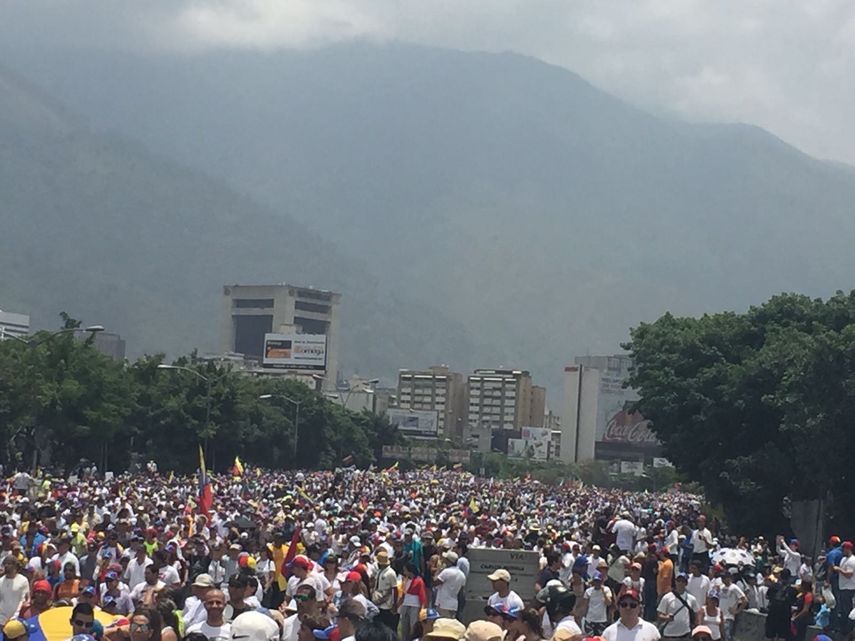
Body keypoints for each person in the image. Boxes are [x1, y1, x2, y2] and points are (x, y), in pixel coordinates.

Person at [657, 574, 698, 641]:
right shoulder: (667, 597)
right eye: (678, 581)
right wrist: (666, 617)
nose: (680, 583)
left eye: (683, 581)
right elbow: (659, 615)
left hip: (685, 634)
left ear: (686, 583)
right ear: (675, 582)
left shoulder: (692, 599)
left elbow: (696, 614)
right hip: (669, 635)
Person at [765, 569, 797, 641]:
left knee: (770, 635)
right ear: (789, 577)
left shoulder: (774, 586)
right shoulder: (792, 589)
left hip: (773, 612)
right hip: (785, 614)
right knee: (782, 635)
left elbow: (767, 596)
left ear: (780, 576)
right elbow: (794, 601)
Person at [371, 550, 399, 632]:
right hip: (378, 601)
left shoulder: (390, 573)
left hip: (386, 603)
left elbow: (394, 589)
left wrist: (394, 604)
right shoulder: (379, 571)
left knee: (387, 626)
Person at [400, 562, 428, 641]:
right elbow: (403, 593)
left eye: (405, 571)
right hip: (405, 604)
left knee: (413, 625)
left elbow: (422, 595)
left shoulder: (419, 581)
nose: (404, 572)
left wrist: (422, 608)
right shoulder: (405, 580)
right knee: (404, 626)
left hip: (414, 605)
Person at [434, 552, 465, 619]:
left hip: (443, 604)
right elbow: (461, 592)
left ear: (449, 561)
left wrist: (438, 570)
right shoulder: (462, 574)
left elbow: (435, 582)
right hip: (454, 605)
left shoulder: (446, 572)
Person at [717, 569, 746, 641]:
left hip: (728, 617)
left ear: (729, 578)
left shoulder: (734, 588)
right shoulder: (721, 587)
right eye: (722, 578)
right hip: (720, 616)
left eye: (725, 578)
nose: (723, 580)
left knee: (727, 636)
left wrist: (737, 611)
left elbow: (744, 600)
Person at [581, 571, 613, 636]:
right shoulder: (588, 591)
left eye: (598, 581)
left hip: (601, 620)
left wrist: (603, 592)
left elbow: (609, 603)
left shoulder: (607, 590)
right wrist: (583, 618)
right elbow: (585, 606)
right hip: (590, 619)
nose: (597, 583)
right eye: (595, 581)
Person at [833, 541, 855, 635]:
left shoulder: (852, 560)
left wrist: (839, 569)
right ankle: (842, 628)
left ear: (848, 549)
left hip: (848, 588)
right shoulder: (844, 558)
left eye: (844, 549)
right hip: (842, 587)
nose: (842, 550)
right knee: (842, 609)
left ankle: (846, 630)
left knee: (847, 610)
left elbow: (849, 574)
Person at [0, 556, 29, 625]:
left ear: (15, 566)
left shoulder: (23, 580)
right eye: (5, 564)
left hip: (16, 618)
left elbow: (24, 600)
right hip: (1, 619)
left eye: (9, 564)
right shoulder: (0, 581)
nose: (6, 566)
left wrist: (16, 616)